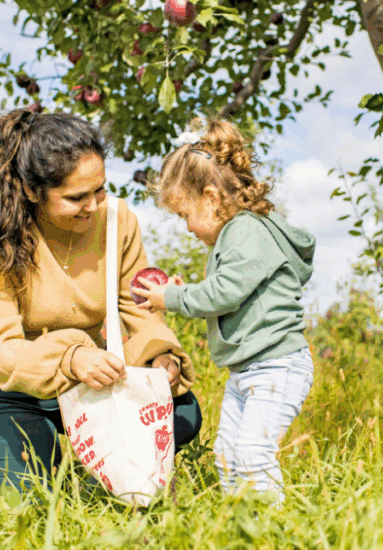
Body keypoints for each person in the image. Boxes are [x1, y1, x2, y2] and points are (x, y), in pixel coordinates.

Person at [0, 108, 202, 497]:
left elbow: (138, 308)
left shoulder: (117, 221)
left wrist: (159, 356)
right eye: (77, 197)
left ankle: (105, 472)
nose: (94, 205)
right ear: (32, 191)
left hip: (81, 376)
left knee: (182, 413)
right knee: (30, 498)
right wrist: (71, 359)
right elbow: (0, 350)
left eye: (100, 189)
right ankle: (43, 448)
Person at [132, 118, 316, 504]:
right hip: (248, 370)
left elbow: (225, 293)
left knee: (251, 453)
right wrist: (184, 293)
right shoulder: (235, 237)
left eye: (185, 215)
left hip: (276, 366)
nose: (187, 227)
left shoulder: (246, 230)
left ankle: (272, 525)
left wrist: (173, 297)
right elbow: (226, 293)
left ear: (212, 198)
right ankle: (241, 522)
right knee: (228, 456)